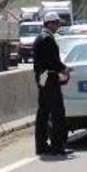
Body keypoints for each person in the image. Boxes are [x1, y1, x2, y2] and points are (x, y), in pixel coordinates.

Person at [33, 12, 71, 156]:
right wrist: (64, 69)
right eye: (56, 22)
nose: (58, 25)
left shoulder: (41, 37)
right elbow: (52, 61)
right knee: (57, 113)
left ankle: (41, 145)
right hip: (49, 79)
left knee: (43, 112)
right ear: (49, 23)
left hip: (44, 78)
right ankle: (57, 146)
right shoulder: (47, 39)